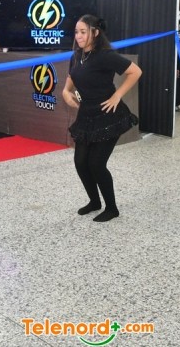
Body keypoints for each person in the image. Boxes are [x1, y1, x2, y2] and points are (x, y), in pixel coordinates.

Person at [61, 15, 141, 223]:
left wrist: (117, 95)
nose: (78, 36)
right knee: (80, 162)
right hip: (86, 115)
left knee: (96, 164)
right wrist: (66, 93)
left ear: (95, 33)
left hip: (108, 116)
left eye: (83, 32)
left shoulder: (105, 55)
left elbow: (135, 72)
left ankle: (112, 208)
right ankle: (94, 201)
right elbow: (70, 81)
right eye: (76, 32)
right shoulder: (76, 56)